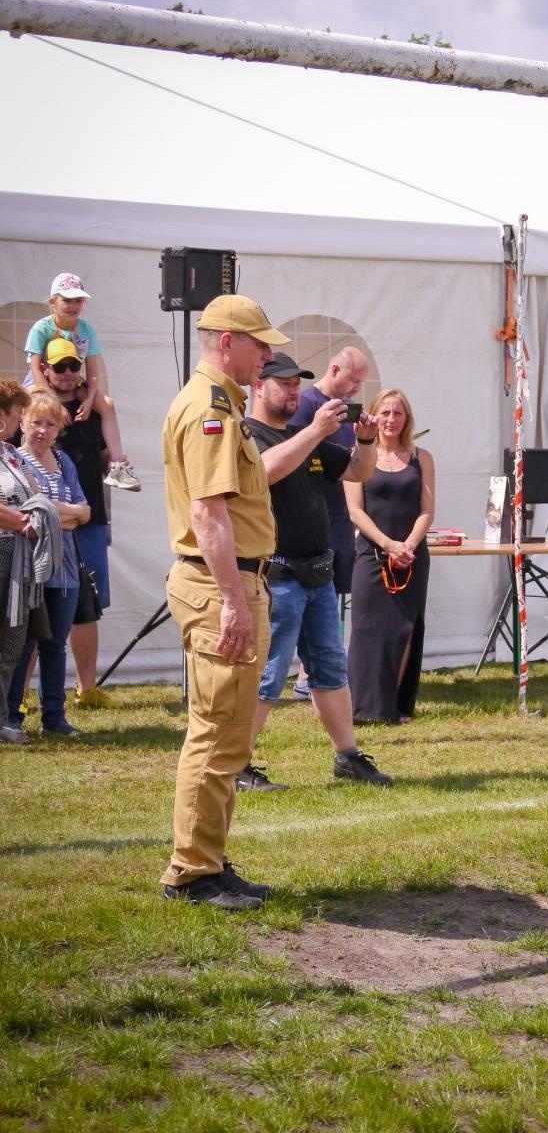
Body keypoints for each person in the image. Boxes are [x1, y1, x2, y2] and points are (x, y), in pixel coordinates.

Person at [160, 294, 289, 911]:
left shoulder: (221, 404)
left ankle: (206, 858)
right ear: (226, 342)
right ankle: (192, 871)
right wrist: (235, 603)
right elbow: (208, 514)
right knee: (216, 736)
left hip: (226, 582)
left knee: (226, 735)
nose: (268, 353)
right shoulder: (210, 409)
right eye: (260, 343)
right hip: (220, 586)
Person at [242, 351, 392, 791]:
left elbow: (359, 471)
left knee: (329, 670)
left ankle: (347, 756)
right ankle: (237, 766)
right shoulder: (248, 436)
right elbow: (267, 472)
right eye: (283, 383)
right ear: (258, 386)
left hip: (316, 575)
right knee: (268, 674)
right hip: (277, 576)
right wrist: (314, 431)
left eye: (296, 384)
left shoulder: (300, 436)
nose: (292, 391)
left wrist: (364, 440)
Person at [345, 388, 435, 724]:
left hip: (412, 556)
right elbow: (355, 511)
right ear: (373, 415)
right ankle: (363, 707)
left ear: (406, 419)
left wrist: (407, 546)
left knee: (405, 628)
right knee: (367, 629)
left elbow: (427, 510)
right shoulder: (357, 456)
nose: (391, 420)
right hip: (371, 553)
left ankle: (394, 706)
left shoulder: (421, 458)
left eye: (398, 413)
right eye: (385, 412)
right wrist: (387, 544)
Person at [287, 346, 370, 701]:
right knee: (306, 594)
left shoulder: (344, 412)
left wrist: (366, 442)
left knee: (332, 592)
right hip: (309, 514)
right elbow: (291, 450)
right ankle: (303, 672)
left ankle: (316, 672)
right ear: (334, 369)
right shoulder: (308, 405)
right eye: (353, 379)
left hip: (338, 513)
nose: (356, 388)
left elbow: (350, 463)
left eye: (360, 382)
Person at [6, 391, 90, 738]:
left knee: (55, 644)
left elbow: (85, 512)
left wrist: (60, 512)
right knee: (23, 643)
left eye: (50, 424)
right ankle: (11, 714)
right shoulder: (16, 461)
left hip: (66, 568)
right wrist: (62, 513)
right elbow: (35, 512)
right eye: (36, 422)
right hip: (31, 565)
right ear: (22, 422)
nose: (43, 430)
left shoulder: (63, 461)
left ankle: (54, 716)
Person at [38, 338, 115, 709]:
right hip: (48, 524)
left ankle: (88, 689)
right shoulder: (37, 411)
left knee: (89, 605)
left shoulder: (95, 409)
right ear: (46, 371)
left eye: (73, 367)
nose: (68, 375)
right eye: (60, 368)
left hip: (90, 518)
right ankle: (21, 692)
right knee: (38, 605)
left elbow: (108, 455)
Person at [25, 273, 140, 491]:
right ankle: (21, 459)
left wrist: (88, 400)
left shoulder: (86, 328)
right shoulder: (41, 328)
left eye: (78, 300)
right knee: (26, 405)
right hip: (40, 379)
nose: (72, 306)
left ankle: (117, 466)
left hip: (75, 380)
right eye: (66, 300)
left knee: (106, 403)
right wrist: (54, 403)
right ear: (53, 302)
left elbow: (93, 372)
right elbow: (35, 368)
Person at [0, 379, 37, 745]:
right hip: (3, 547)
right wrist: (26, 522)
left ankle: (5, 719)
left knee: (15, 638)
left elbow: (36, 494)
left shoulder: (9, 454)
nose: (18, 423)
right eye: (16, 415)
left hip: (18, 555)